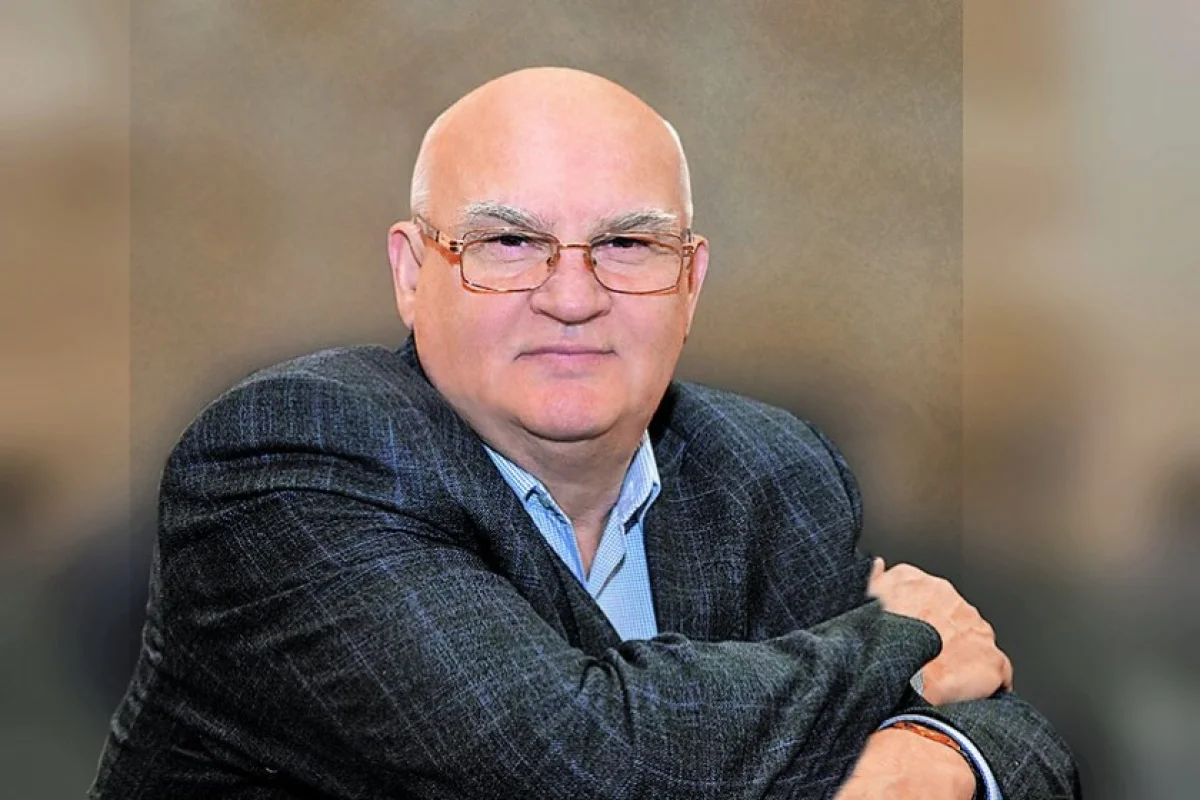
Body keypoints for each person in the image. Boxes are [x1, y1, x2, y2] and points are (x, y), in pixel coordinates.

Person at [91, 67, 1078, 799]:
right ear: (411, 272)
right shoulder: (288, 459)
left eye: (629, 243)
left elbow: (1026, 745)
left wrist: (929, 765)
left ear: (690, 281)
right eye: (509, 241)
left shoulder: (771, 471)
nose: (572, 296)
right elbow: (572, 764)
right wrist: (897, 639)